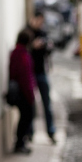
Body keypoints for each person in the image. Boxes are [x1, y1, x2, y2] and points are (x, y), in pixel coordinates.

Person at [26, 11, 56, 144]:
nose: (40, 24)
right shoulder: (26, 33)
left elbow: (48, 51)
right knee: (30, 105)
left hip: (42, 72)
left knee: (47, 104)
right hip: (30, 73)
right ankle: (30, 133)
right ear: (33, 19)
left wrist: (47, 46)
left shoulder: (43, 33)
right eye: (39, 20)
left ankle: (51, 131)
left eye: (42, 21)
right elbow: (23, 51)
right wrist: (32, 46)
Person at [9, 29, 36, 154]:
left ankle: (20, 142)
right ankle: (20, 143)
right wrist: (30, 95)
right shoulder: (23, 55)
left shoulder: (16, 52)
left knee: (24, 117)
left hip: (20, 91)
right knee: (26, 117)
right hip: (23, 93)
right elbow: (25, 77)